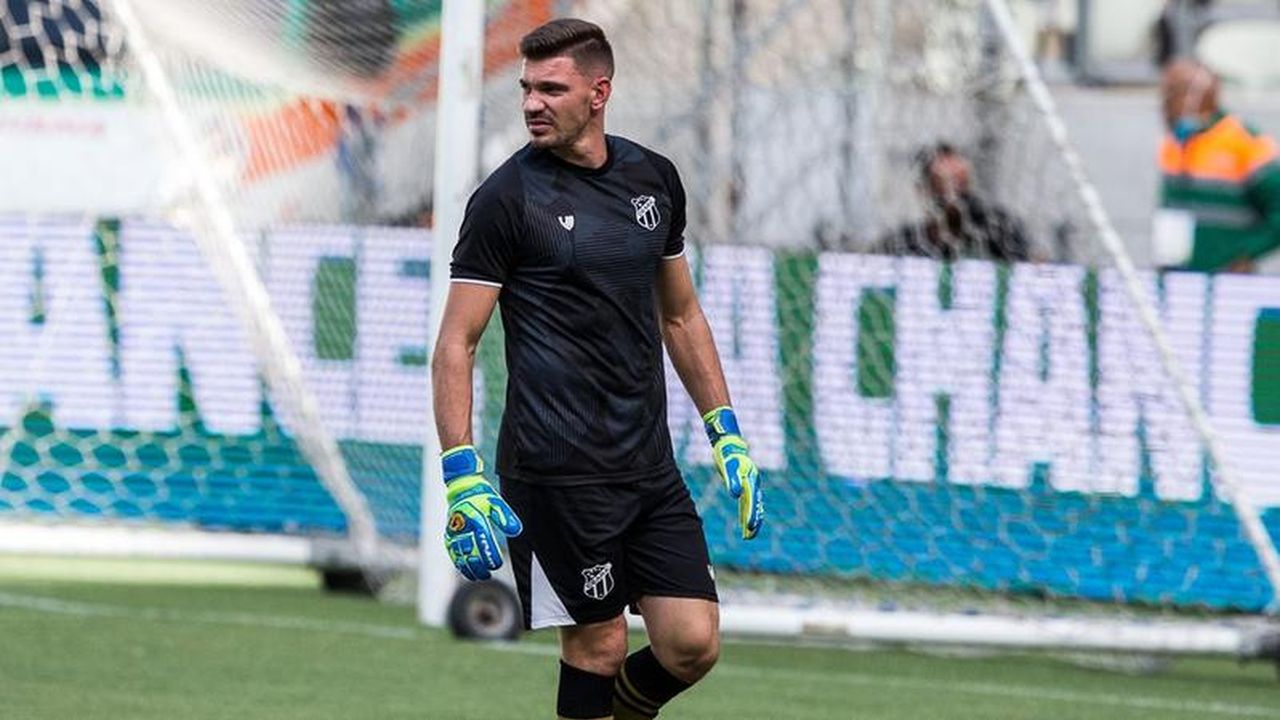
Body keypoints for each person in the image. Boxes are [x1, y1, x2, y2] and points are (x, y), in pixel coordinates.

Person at [431, 18, 763, 720]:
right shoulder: (506, 200)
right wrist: (461, 473)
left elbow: (681, 317)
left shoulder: (653, 179)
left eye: (551, 88)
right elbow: (457, 341)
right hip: (555, 472)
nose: (531, 103)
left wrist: (725, 433)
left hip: (647, 465)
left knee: (691, 643)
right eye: (526, 88)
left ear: (599, 92)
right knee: (598, 648)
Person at [1156, 58, 1280, 273]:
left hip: (1226, 280)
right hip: (1179, 276)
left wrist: (1245, 253)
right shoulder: (1176, 142)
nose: (1165, 102)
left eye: (1174, 92)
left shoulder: (1244, 142)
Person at [880, 142, 1031, 263]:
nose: (955, 195)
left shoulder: (999, 231)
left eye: (962, 183)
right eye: (942, 185)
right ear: (925, 190)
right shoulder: (904, 243)